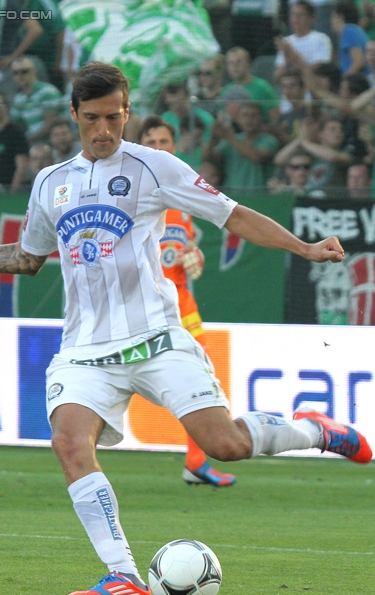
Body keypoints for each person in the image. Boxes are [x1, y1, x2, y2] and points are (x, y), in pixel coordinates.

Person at [0, 61, 371, 595]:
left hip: (156, 338)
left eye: (114, 117)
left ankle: (317, 431)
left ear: (127, 113)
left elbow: (234, 215)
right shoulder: (50, 182)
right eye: (92, 119)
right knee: (68, 441)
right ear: (73, 116)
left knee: (223, 445)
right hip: (84, 350)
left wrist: (305, 247)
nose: (104, 130)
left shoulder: (155, 167)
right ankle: (123, 575)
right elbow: (27, 257)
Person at [138, 114, 236, 489]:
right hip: (144, 303)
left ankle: (195, 461)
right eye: (152, 143)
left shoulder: (181, 195)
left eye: (165, 143)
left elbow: (183, 245)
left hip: (179, 302)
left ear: (174, 148)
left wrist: (194, 253)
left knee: (203, 374)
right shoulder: (130, 193)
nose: (159, 149)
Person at [204, 101, 279, 191]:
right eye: (245, 115)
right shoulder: (230, 141)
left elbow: (256, 156)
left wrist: (228, 135)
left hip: (259, 196)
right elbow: (208, 159)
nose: (249, 119)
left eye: (254, 115)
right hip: (233, 195)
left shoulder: (269, 140)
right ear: (238, 119)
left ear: (261, 119)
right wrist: (213, 137)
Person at [10, 56, 66, 143]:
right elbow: (14, 123)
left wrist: (27, 139)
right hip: (33, 141)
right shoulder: (18, 98)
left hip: (52, 141)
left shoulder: (47, 91)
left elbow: (50, 125)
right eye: (15, 73)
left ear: (34, 72)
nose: (20, 76)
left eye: (24, 71)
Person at [274, 1, 333, 83]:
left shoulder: (321, 39)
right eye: (293, 14)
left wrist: (293, 56)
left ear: (311, 18)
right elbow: (276, 78)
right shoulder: (286, 42)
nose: (296, 18)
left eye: (300, 15)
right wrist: (287, 62)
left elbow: (317, 72)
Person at [0, 90, 29, 191]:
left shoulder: (15, 132)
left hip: (7, 189)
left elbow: (22, 166)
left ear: (6, 107)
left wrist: (12, 191)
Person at [219, 47, 280, 123]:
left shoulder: (262, 88)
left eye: (239, 62)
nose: (234, 66)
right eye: (230, 63)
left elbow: (276, 119)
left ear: (248, 63)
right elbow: (221, 122)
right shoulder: (225, 90)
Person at [332, 1, 369, 76]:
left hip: (357, 82)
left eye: (333, 17)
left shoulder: (348, 30)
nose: (331, 22)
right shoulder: (356, 30)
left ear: (340, 16)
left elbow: (359, 62)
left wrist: (345, 81)